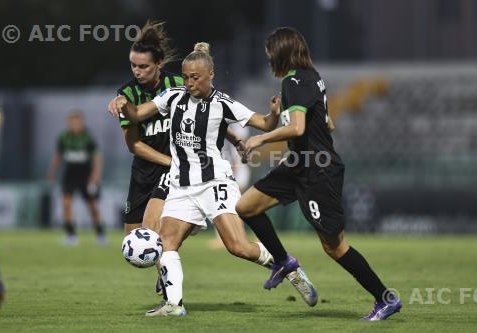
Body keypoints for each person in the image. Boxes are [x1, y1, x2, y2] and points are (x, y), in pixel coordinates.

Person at [108, 42, 317, 316]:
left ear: (210, 75)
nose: (189, 83)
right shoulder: (172, 96)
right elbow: (136, 114)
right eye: (185, 77)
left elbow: (264, 124)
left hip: (214, 182)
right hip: (181, 185)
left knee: (237, 247)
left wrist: (275, 114)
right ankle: (174, 304)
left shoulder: (223, 103)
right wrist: (123, 104)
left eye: (195, 77)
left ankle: (286, 264)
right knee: (166, 242)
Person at [236, 27, 402, 321]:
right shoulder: (312, 77)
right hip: (300, 164)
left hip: (317, 172)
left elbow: (298, 128)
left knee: (334, 247)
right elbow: (329, 125)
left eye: (269, 53)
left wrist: (259, 139)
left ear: (280, 53)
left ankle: (385, 299)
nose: (268, 58)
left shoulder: (294, 81)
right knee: (246, 207)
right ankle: (284, 261)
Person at [114, 21, 248, 299]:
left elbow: (212, 116)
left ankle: (169, 291)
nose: (137, 72)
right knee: (133, 238)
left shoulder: (179, 84)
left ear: (159, 64)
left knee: (155, 232)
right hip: (146, 168)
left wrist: (235, 140)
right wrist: (168, 160)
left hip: (175, 171)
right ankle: (169, 266)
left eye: (144, 67)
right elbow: (134, 145)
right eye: (133, 66)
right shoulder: (126, 96)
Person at [47, 110, 106, 245]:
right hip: (70, 174)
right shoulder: (64, 137)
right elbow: (58, 156)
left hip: (85, 174)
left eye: (76, 121)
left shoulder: (87, 137)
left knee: (92, 206)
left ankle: (100, 234)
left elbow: (97, 157)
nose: (74, 124)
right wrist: (52, 172)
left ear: (81, 122)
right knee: (66, 204)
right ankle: (71, 234)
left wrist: (95, 175)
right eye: (71, 122)